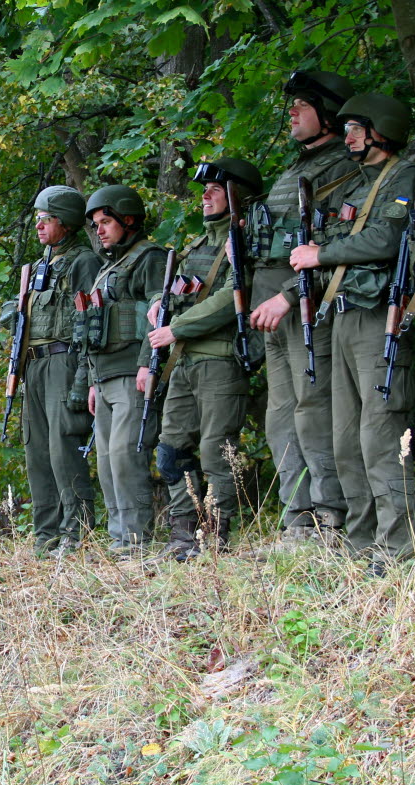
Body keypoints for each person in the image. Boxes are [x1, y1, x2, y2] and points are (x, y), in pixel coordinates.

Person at [288, 93, 415, 573]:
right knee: (345, 440)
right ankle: (362, 542)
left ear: (380, 129)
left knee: (380, 434)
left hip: (376, 316)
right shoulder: (358, 184)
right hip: (341, 316)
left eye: (355, 129)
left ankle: (396, 546)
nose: (347, 137)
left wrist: (320, 255)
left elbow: (387, 237)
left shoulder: (406, 177)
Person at [248, 69, 357, 541]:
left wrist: (291, 295)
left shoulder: (345, 169)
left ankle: (330, 517)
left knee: (315, 413)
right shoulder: (295, 170)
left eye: (303, 105)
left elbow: (339, 244)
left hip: (309, 307)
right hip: (272, 313)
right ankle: (298, 520)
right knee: (282, 418)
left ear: (328, 114)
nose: (291, 113)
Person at [145, 158, 263, 560]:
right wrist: (158, 305)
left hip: (219, 360)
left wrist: (177, 329)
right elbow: (172, 293)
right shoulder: (198, 244)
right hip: (183, 361)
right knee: (171, 449)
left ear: (237, 195)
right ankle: (183, 533)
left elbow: (233, 297)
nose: (205, 196)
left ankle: (214, 535)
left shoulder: (242, 240)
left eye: (215, 189)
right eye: (204, 189)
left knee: (217, 451)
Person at [14, 185, 101, 558]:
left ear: (65, 222)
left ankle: (76, 530)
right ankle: (45, 535)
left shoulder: (83, 262)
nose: (39, 225)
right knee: (36, 450)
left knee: (63, 447)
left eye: (46, 218)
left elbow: (90, 323)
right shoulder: (37, 268)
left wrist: (85, 377)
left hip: (63, 362)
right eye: (37, 218)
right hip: (33, 364)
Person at [82, 185, 169, 553]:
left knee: (125, 457)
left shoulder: (149, 258)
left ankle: (135, 540)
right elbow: (91, 329)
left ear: (127, 220)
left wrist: (148, 365)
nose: (99, 230)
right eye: (96, 224)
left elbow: (159, 313)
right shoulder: (108, 267)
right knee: (106, 461)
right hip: (102, 377)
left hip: (132, 374)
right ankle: (119, 539)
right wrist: (90, 381)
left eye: (106, 222)